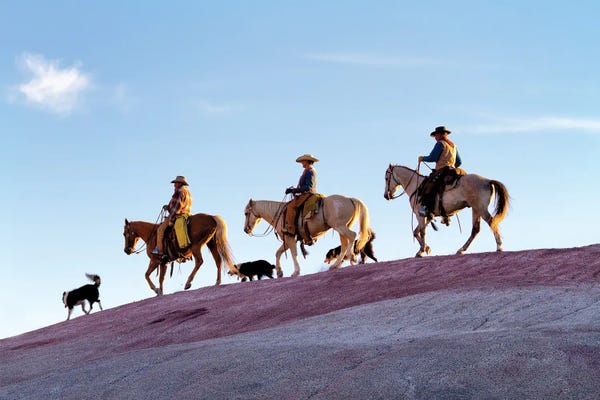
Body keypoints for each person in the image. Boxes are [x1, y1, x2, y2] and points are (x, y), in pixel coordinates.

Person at [417, 126, 463, 218]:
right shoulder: (453, 145)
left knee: (427, 186)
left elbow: (433, 158)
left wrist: (423, 158)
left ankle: (426, 209)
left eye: (435, 135)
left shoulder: (440, 144)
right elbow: (459, 162)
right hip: (453, 170)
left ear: (440, 134)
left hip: (442, 170)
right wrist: (452, 167)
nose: (435, 138)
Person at [153, 176, 193, 259]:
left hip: (178, 215)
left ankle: (160, 252)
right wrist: (168, 207)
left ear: (180, 183)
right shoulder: (188, 193)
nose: (174, 185)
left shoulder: (179, 192)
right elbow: (178, 205)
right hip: (187, 215)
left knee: (160, 230)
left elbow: (176, 208)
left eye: (176, 183)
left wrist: (171, 219)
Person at [283, 154, 318, 236]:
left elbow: (308, 186)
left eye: (303, 161)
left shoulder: (310, 171)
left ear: (307, 161)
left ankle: (291, 229)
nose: (302, 163)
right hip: (307, 193)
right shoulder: (308, 170)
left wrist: (294, 190)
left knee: (291, 206)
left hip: (308, 193)